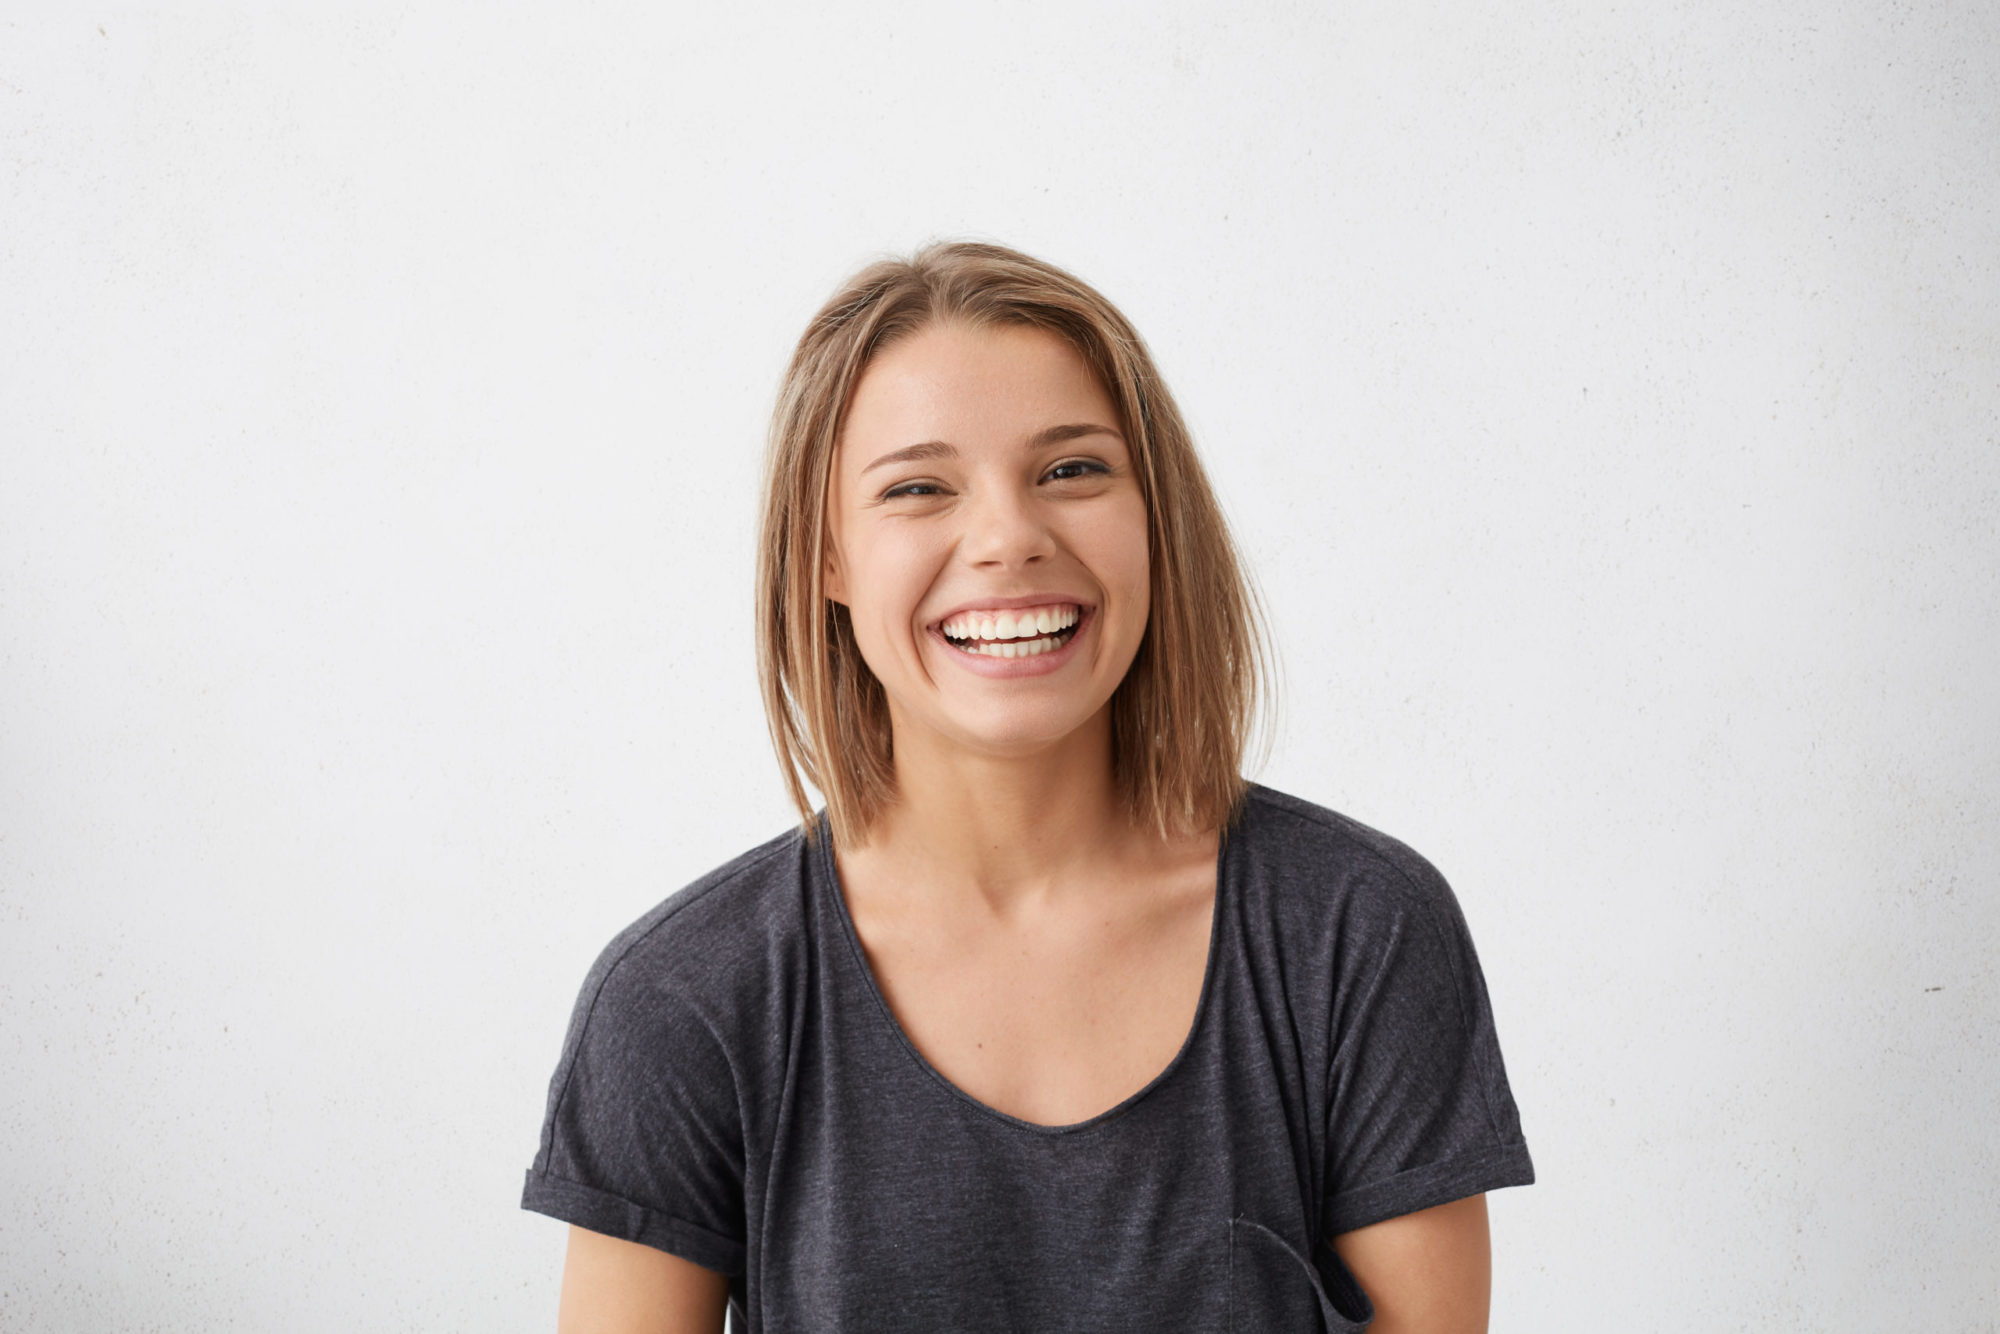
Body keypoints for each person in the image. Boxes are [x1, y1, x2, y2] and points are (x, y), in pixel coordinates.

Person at [521, 241, 1535, 1333]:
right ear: (825, 559)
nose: (1007, 536)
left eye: (1072, 469)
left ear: (1157, 515)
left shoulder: (1357, 928)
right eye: (916, 487)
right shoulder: (682, 1000)